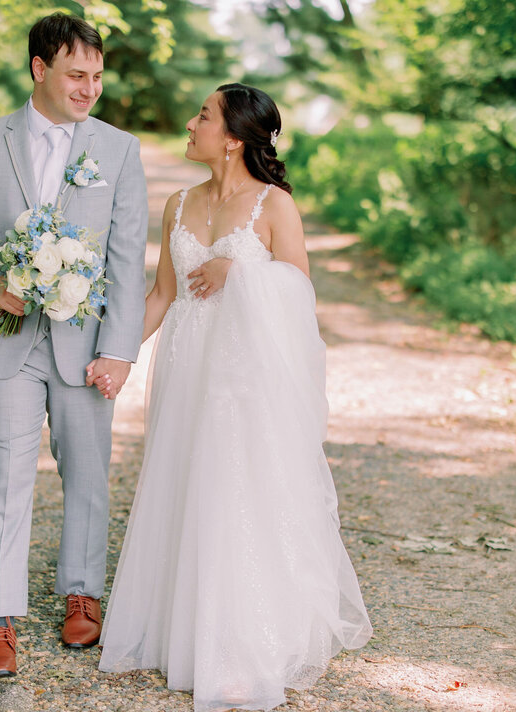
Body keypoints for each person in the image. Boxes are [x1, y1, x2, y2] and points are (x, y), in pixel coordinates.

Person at [96, 83, 372, 711]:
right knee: (187, 483)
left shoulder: (274, 206)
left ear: (232, 138)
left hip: (244, 377)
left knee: (236, 492)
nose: (190, 124)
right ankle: (185, 629)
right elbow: (162, 296)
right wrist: (118, 357)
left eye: (203, 115)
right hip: (186, 370)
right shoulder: (178, 203)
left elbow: (299, 291)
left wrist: (241, 270)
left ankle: (243, 645)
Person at [0, 13, 148, 678]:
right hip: (7, 341)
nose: (90, 88)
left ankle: (82, 593)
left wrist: (120, 351)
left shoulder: (119, 150)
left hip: (87, 349)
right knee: (7, 478)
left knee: (87, 473)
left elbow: (127, 259)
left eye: (97, 76)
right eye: (76, 74)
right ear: (39, 69)